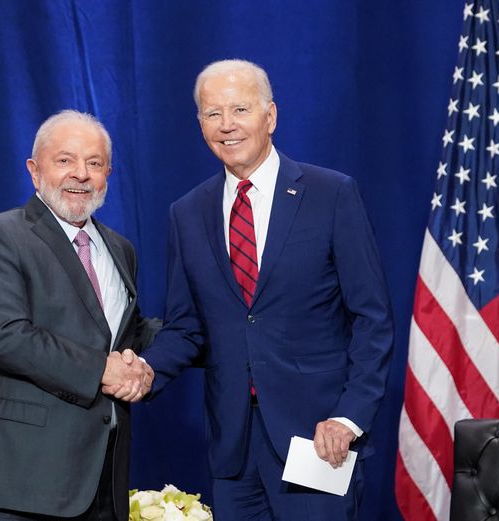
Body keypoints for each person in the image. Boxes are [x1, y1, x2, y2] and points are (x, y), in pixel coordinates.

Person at [140, 60, 394, 519]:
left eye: (240, 109)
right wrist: (142, 370)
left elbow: (372, 319)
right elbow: (186, 327)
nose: (227, 125)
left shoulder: (331, 194)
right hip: (233, 449)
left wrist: (349, 416)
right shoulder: (186, 212)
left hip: (319, 439)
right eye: (212, 113)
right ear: (200, 124)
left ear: (270, 116)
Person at [0, 110, 159, 521]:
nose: (81, 174)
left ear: (108, 172)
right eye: (65, 160)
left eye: (94, 163)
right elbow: (5, 336)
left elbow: (127, 335)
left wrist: (194, 337)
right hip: (12, 485)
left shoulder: (120, 249)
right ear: (34, 170)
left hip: (100, 483)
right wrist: (102, 370)